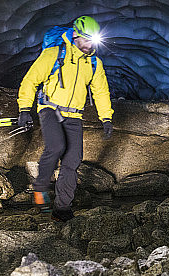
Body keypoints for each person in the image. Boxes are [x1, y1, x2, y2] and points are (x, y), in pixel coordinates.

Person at [17, 15, 113, 221]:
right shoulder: (55, 53)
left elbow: (101, 92)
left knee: (73, 159)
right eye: (86, 39)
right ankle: (40, 188)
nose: (89, 45)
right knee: (56, 146)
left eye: (92, 41)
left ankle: (62, 209)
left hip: (74, 114)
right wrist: (24, 109)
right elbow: (30, 80)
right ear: (75, 35)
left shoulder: (94, 63)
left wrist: (106, 118)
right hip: (50, 108)